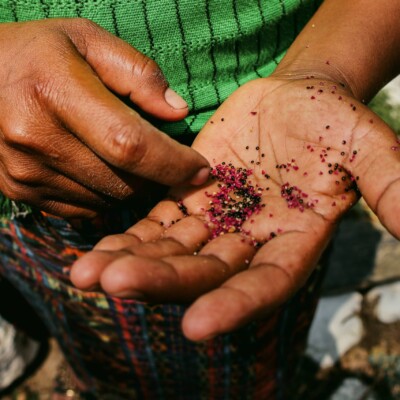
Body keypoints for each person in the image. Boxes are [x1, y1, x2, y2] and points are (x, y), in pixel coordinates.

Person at [0, 0, 399, 398]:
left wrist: (322, 72)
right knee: (94, 334)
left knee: (245, 347)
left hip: (272, 136)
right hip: (40, 164)